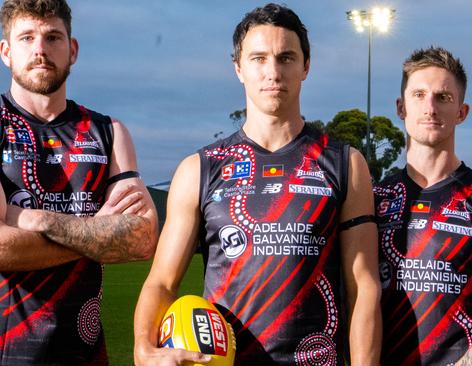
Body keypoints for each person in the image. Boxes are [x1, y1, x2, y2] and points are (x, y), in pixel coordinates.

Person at [133, 3, 381, 365]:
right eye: (259, 58)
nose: (273, 71)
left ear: (305, 67)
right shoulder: (199, 169)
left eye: (286, 58)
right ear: (238, 68)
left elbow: (362, 288)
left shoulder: (345, 164)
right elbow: (162, 282)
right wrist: (143, 348)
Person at [0, 0, 158, 364]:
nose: (40, 49)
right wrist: (98, 233)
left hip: (86, 355)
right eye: (27, 37)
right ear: (6, 52)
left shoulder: (109, 132)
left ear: (72, 50)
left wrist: (35, 219)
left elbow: (142, 238)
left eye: (53, 37)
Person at [374, 46, 472, 365]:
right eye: (419, 95)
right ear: (401, 107)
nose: (430, 107)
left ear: (462, 111)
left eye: (443, 97)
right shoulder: (375, 197)